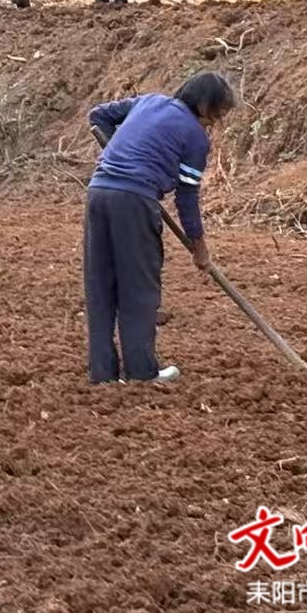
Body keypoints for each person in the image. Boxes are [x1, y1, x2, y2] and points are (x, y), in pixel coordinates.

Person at [82, 72, 238, 385]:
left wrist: (121, 153)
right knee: (138, 289)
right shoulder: (194, 136)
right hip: (135, 202)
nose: (214, 124)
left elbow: (97, 115)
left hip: (98, 194)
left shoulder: (148, 101)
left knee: (101, 286)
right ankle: (141, 374)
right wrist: (200, 248)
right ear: (205, 105)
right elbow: (187, 196)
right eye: (217, 115)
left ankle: (103, 374)